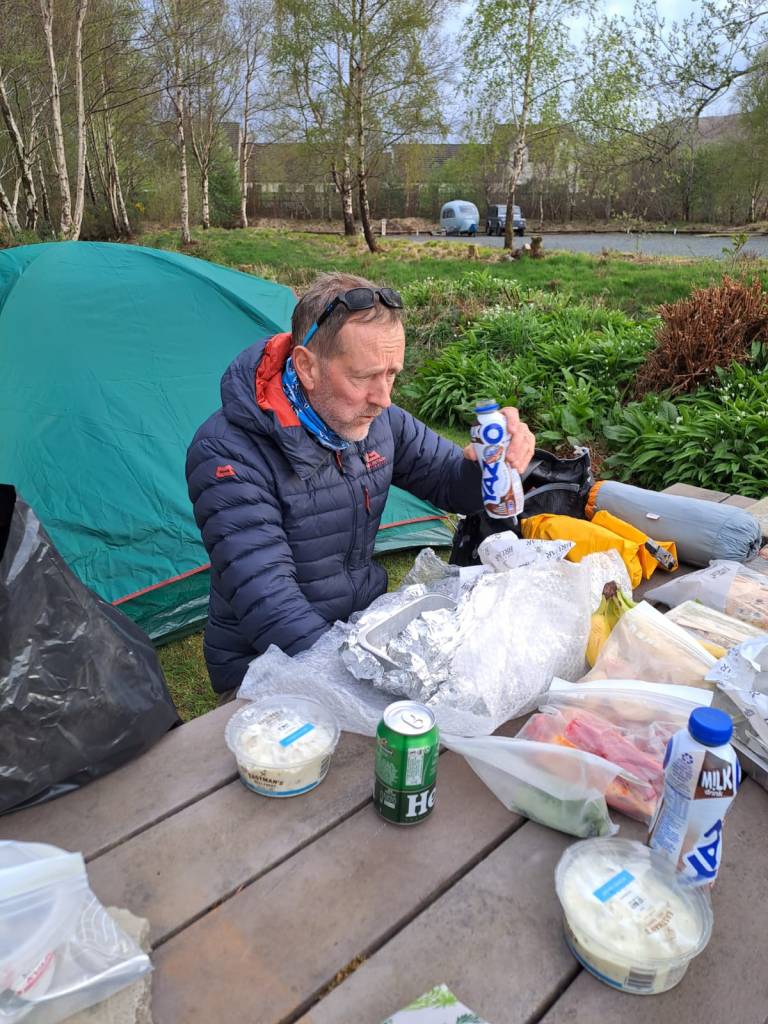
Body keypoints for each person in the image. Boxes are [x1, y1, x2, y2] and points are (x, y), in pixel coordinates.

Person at [186, 271, 535, 696]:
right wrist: (366, 680)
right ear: (306, 367)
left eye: (392, 374)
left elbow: (451, 484)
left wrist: (491, 464)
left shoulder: (378, 421)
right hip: (265, 666)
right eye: (364, 376)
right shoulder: (228, 453)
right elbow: (270, 605)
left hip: (360, 636)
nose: (383, 397)